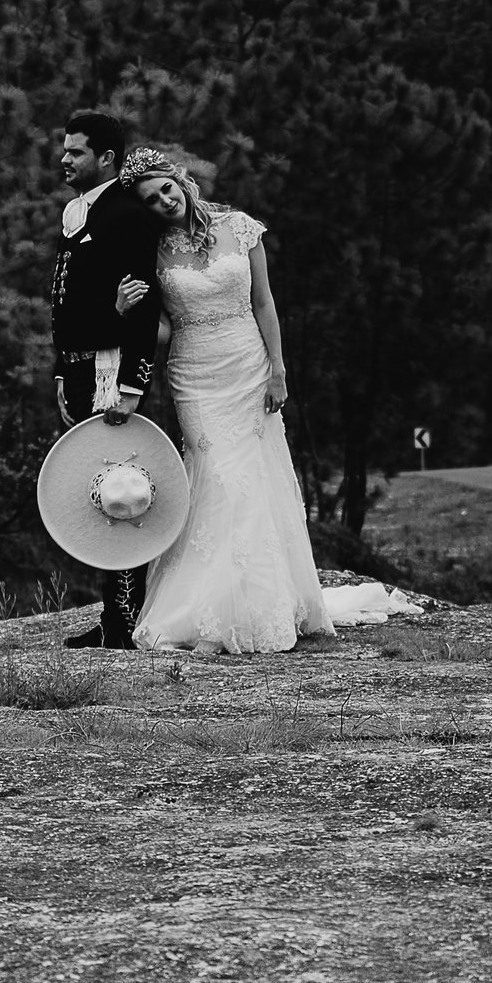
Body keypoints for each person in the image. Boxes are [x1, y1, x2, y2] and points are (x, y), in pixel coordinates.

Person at [113, 147, 333, 653]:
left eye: (166, 188)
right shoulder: (152, 250)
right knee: (214, 475)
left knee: (254, 479)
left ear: (181, 180)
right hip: (194, 372)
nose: (164, 201)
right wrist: (125, 310)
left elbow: (263, 302)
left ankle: (258, 604)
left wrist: (279, 369)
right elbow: (162, 330)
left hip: (248, 365)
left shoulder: (240, 226)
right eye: (151, 199)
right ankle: (206, 611)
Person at [46, 110, 165, 648]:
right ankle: (114, 619)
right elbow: (68, 302)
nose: (63, 158)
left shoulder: (126, 213)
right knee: (92, 487)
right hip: (77, 369)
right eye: (64, 149)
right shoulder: (78, 211)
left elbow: (144, 305)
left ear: (107, 159)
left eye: (74, 151)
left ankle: (122, 622)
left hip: (111, 373)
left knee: (123, 491)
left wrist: (134, 384)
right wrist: (59, 370)